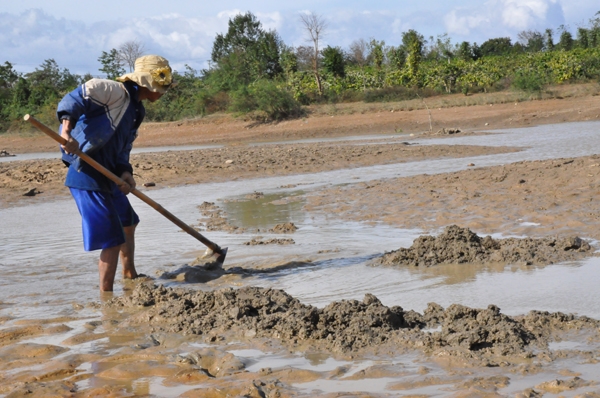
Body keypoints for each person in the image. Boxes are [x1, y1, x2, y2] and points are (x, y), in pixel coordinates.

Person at [57, 55, 174, 292]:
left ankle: (129, 275)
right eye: (160, 86)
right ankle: (106, 297)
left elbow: (124, 146)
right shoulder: (113, 91)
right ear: (145, 82)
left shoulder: (136, 111)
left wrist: (125, 172)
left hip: (109, 175)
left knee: (128, 221)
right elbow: (75, 98)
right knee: (112, 238)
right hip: (87, 175)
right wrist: (66, 133)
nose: (163, 92)